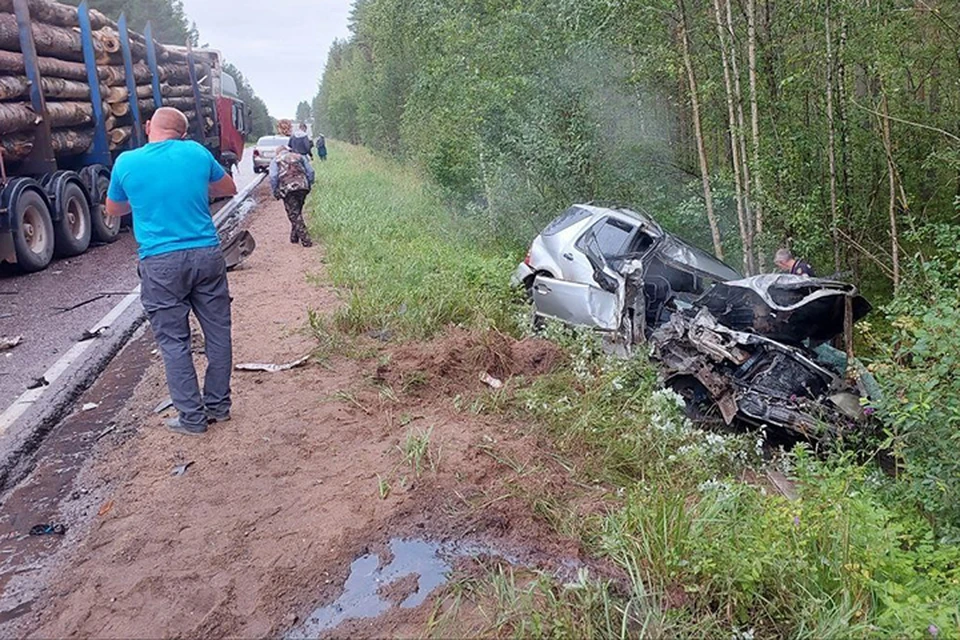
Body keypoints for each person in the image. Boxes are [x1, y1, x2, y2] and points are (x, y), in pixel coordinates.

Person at [105, 107, 238, 437]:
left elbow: (114, 209)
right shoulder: (195, 152)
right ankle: (218, 407)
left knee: (174, 342)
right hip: (206, 254)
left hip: (160, 263)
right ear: (182, 134)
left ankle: (192, 419)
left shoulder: (127, 162)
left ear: (149, 126)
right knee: (218, 333)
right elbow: (229, 187)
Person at [269, 145, 315, 248]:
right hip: (303, 187)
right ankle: (294, 237)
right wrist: (309, 183)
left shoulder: (276, 160)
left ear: (278, 152)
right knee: (296, 212)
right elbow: (310, 171)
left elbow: (273, 176)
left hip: (288, 189)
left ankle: (306, 240)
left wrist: (275, 190)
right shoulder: (300, 157)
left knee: (293, 214)